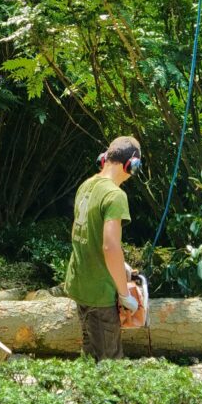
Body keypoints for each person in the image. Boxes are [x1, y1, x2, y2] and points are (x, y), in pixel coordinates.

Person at [64, 136, 141, 361]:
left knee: (90, 354)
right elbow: (110, 246)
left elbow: (85, 234)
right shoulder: (115, 195)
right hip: (100, 294)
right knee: (110, 363)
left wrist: (120, 264)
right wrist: (125, 294)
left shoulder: (86, 185)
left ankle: (83, 395)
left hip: (81, 286)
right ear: (132, 165)